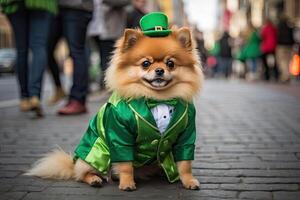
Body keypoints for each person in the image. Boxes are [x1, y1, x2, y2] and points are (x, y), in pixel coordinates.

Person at [0, 0, 57, 117]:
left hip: (14, 4)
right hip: (41, 3)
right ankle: (35, 95)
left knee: (21, 49)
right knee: (39, 46)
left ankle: (25, 97)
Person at [48, 0, 93, 115]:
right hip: (55, 7)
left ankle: (78, 99)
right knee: (45, 48)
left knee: (76, 51)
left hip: (77, 6)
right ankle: (59, 88)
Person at [88, 0, 130, 90]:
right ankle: (105, 87)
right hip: (94, 27)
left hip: (112, 28)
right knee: (101, 58)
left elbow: (126, 1)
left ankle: (112, 88)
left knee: (111, 58)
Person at [276, 15, 294, 83]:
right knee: (288, 61)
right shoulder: (290, 26)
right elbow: (292, 36)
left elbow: (277, 36)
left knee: (282, 61)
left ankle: (285, 76)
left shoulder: (279, 27)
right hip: (289, 46)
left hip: (281, 45)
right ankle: (287, 75)